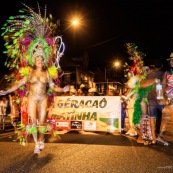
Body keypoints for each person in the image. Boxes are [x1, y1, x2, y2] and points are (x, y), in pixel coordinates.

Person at [0, 3, 70, 154]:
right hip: (31, 97)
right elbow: (18, 83)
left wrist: (63, 89)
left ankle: (42, 140)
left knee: (42, 122)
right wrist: (6, 91)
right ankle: (36, 144)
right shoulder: (29, 72)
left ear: (44, 60)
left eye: (41, 59)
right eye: (37, 59)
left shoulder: (47, 73)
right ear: (34, 59)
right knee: (33, 122)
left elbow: (52, 87)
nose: (39, 61)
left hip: (43, 98)